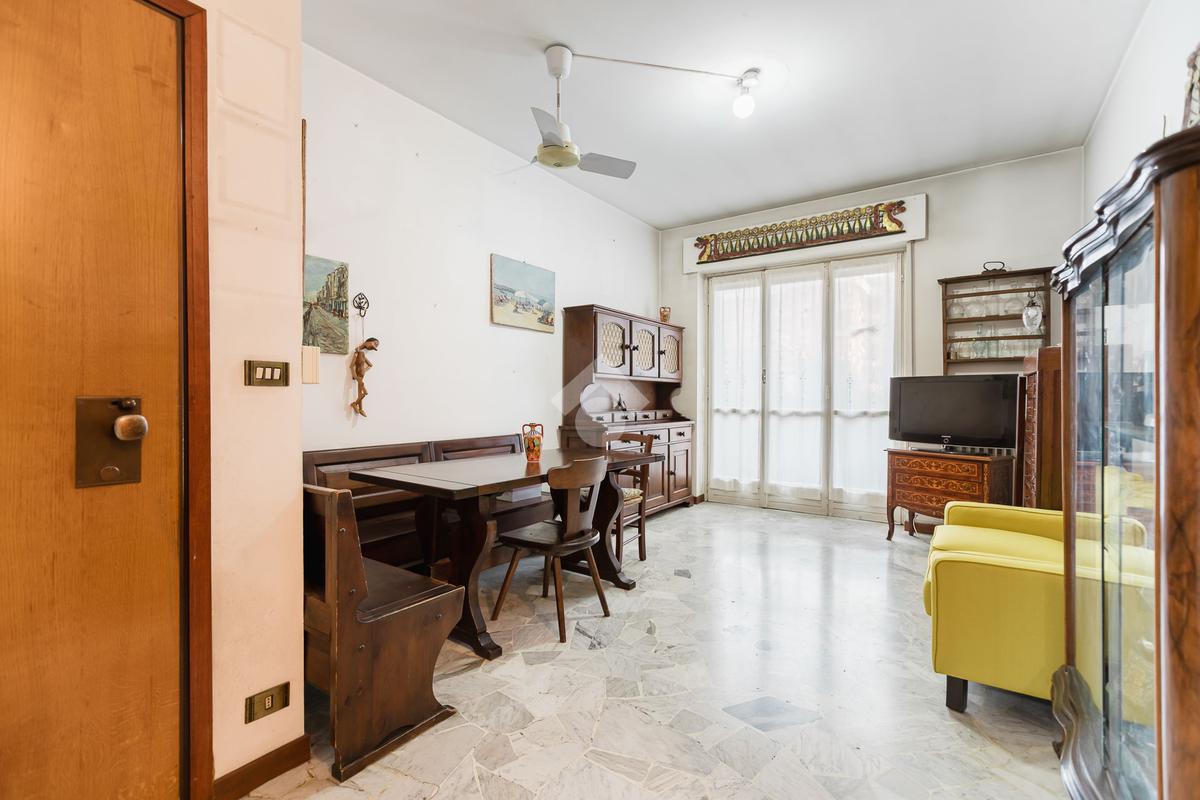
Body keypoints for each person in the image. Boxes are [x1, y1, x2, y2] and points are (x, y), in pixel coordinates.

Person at [349, 337, 379, 417]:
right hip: (358, 377)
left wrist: (364, 370)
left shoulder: (362, 354)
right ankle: (354, 404)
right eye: (372, 345)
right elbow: (351, 366)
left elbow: (370, 365)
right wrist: (355, 376)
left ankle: (360, 408)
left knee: (360, 393)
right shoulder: (356, 354)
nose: (371, 348)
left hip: (361, 376)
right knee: (365, 393)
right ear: (368, 342)